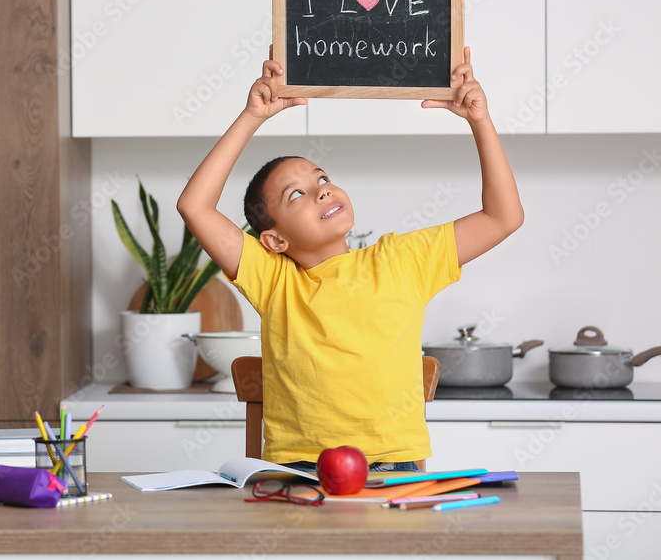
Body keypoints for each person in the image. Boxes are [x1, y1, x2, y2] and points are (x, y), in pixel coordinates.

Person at [176, 47, 523, 472]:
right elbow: (195, 206)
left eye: (322, 178)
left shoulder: (403, 259)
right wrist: (253, 116)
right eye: (297, 194)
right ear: (275, 240)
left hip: (392, 471)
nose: (322, 189)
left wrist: (479, 120)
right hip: (297, 472)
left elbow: (503, 217)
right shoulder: (274, 280)